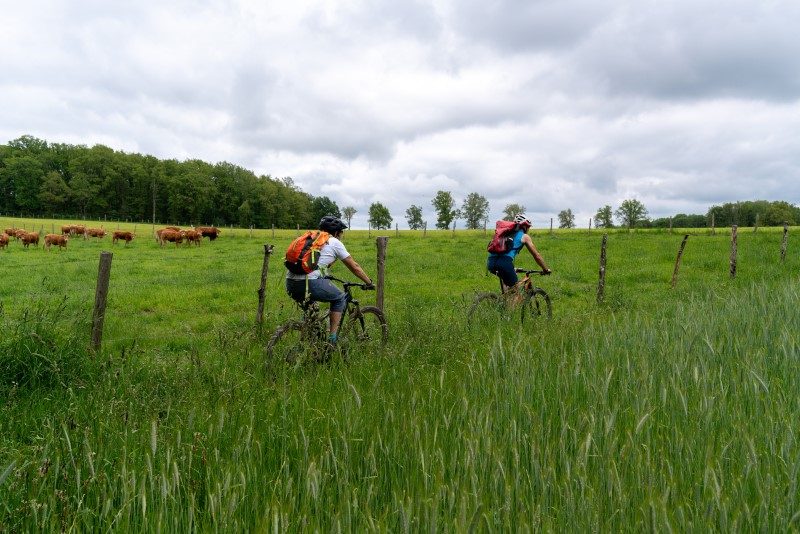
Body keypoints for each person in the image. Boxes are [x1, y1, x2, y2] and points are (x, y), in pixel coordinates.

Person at [286, 215, 374, 344]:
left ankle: (309, 340)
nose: (342, 235)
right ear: (337, 232)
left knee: (311, 314)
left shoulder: (311, 239)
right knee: (339, 298)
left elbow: (317, 264)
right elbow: (354, 266)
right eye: (341, 232)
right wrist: (369, 282)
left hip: (290, 283)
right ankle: (332, 340)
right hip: (309, 284)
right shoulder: (334, 242)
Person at [487, 213, 551, 301]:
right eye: (528, 227)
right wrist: (545, 269)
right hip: (504, 263)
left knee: (508, 285)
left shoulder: (504, 233)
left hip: (491, 262)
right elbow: (537, 256)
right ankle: (510, 313)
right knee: (516, 292)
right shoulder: (524, 236)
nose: (528, 229)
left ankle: (503, 304)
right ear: (525, 226)